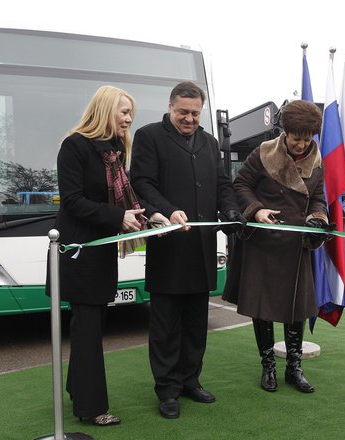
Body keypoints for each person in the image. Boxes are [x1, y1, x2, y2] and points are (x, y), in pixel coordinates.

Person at [49, 85, 169, 426]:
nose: (129, 119)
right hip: (78, 253)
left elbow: (127, 200)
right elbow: (72, 201)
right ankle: (90, 408)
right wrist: (119, 219)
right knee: (87, 329)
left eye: (131, 113)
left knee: (91, 326)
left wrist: (151, 216)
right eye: (124, 112)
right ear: (104, 110)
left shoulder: (114, 150)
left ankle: (78, 392)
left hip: (101, 253)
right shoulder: (74, 146)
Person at [130, 81, 244, 419]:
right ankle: (166, 390)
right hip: (168, 249)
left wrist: (232, 211)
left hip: (202, 249)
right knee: (166, 326)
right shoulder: (149, 136)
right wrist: (167, 209)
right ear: (169, 107)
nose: (190, 119)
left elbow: (222, 184)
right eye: (183, 112)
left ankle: (190, 380)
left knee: (196, 323)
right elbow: (141, 182)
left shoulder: (209, 143)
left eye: (195, 113)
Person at [222, 100, 330, 394]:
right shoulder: (263, 152)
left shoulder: (317, 161)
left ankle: (294, 368)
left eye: (307, 139)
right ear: (285, 131)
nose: (301, 144)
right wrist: (256, 211)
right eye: (297, 138)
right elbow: (240, 184)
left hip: (297, 246)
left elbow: (318, 198)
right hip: (264, 243)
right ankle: (267, 365)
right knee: (264, 307)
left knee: (297, 308)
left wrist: (317, 218)